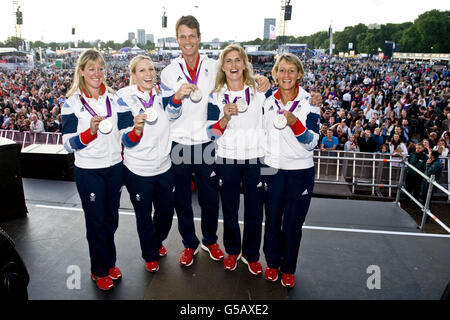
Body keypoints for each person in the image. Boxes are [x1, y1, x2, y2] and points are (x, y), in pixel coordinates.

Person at [160, 15, 270, 267]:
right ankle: (189, 243)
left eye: (191, 35)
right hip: (178, 142)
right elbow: (168, 113)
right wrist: (176, 98)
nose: (187, 41)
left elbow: (238, 82)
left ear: (199, 37)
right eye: (182, 36)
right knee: (182, 200)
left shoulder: (214, 66)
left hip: (207, 143)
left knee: (210, 199)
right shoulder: (168, 72)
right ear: (176, 39)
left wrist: (262, 80)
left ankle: (210, 240)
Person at [62, 49, 132, 291]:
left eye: (101, 68)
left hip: (114, 169)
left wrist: (137, 129)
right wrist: (88, 133)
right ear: (81, 71)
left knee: (111, 221)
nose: (97, 73)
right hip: (89, 171)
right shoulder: (71, 103)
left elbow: (125, 132)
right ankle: (99, 270)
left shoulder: (115, 99)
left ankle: (109, 262)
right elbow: (67, 144)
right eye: (91, 68)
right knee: (96, 223)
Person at [206, 44, 268, 275]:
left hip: (254, 158)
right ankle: (232, 251)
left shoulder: (259, 90)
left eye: (237, 60)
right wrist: (224, 117)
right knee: (230, 209)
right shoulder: (216, 95)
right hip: (227, 158)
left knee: (254, 211)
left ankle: (251, 255)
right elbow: (211, 133)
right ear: (222, 66)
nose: (233, 65)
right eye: (228, 61)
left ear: (244, 64)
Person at [117, 55, 182, 273]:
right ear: (133, 75)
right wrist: (136, 130)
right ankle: (150, 253)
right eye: (142, 70)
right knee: (143, 216)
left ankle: (156, 240)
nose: (149, 74)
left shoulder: (163, 93)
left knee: (165, 213)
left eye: (151, 69)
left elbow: (175, 113)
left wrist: (177, 99)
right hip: (137, 169)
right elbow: (125, 139)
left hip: (164, 166)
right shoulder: (124, 97)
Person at [262, 53, 321, 288]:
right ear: (275, 74)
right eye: (282, 70)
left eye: (291, 70)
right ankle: (273, 264)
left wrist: (293, 121)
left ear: (299, 74)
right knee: (273, 221)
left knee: (293, 224)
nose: (286, 75)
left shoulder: (311, 102)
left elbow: (311, 142)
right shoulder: (266, 99)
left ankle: (288, 268)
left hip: (300, 171)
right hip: (271, 168)